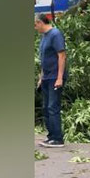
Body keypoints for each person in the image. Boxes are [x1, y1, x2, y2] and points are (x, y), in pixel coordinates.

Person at [35, 13, 66, 148]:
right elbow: (44, 58)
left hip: (55, 76)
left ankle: (58, 138)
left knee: (53, 107)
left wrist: (59, 77)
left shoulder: (55, 34)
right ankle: (51, 136)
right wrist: (41, 77)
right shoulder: (44, 37)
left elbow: (62, 56)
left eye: (35, 25)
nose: (35, 28)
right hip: (46, 77)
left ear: (41, 23)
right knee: (46, 108)